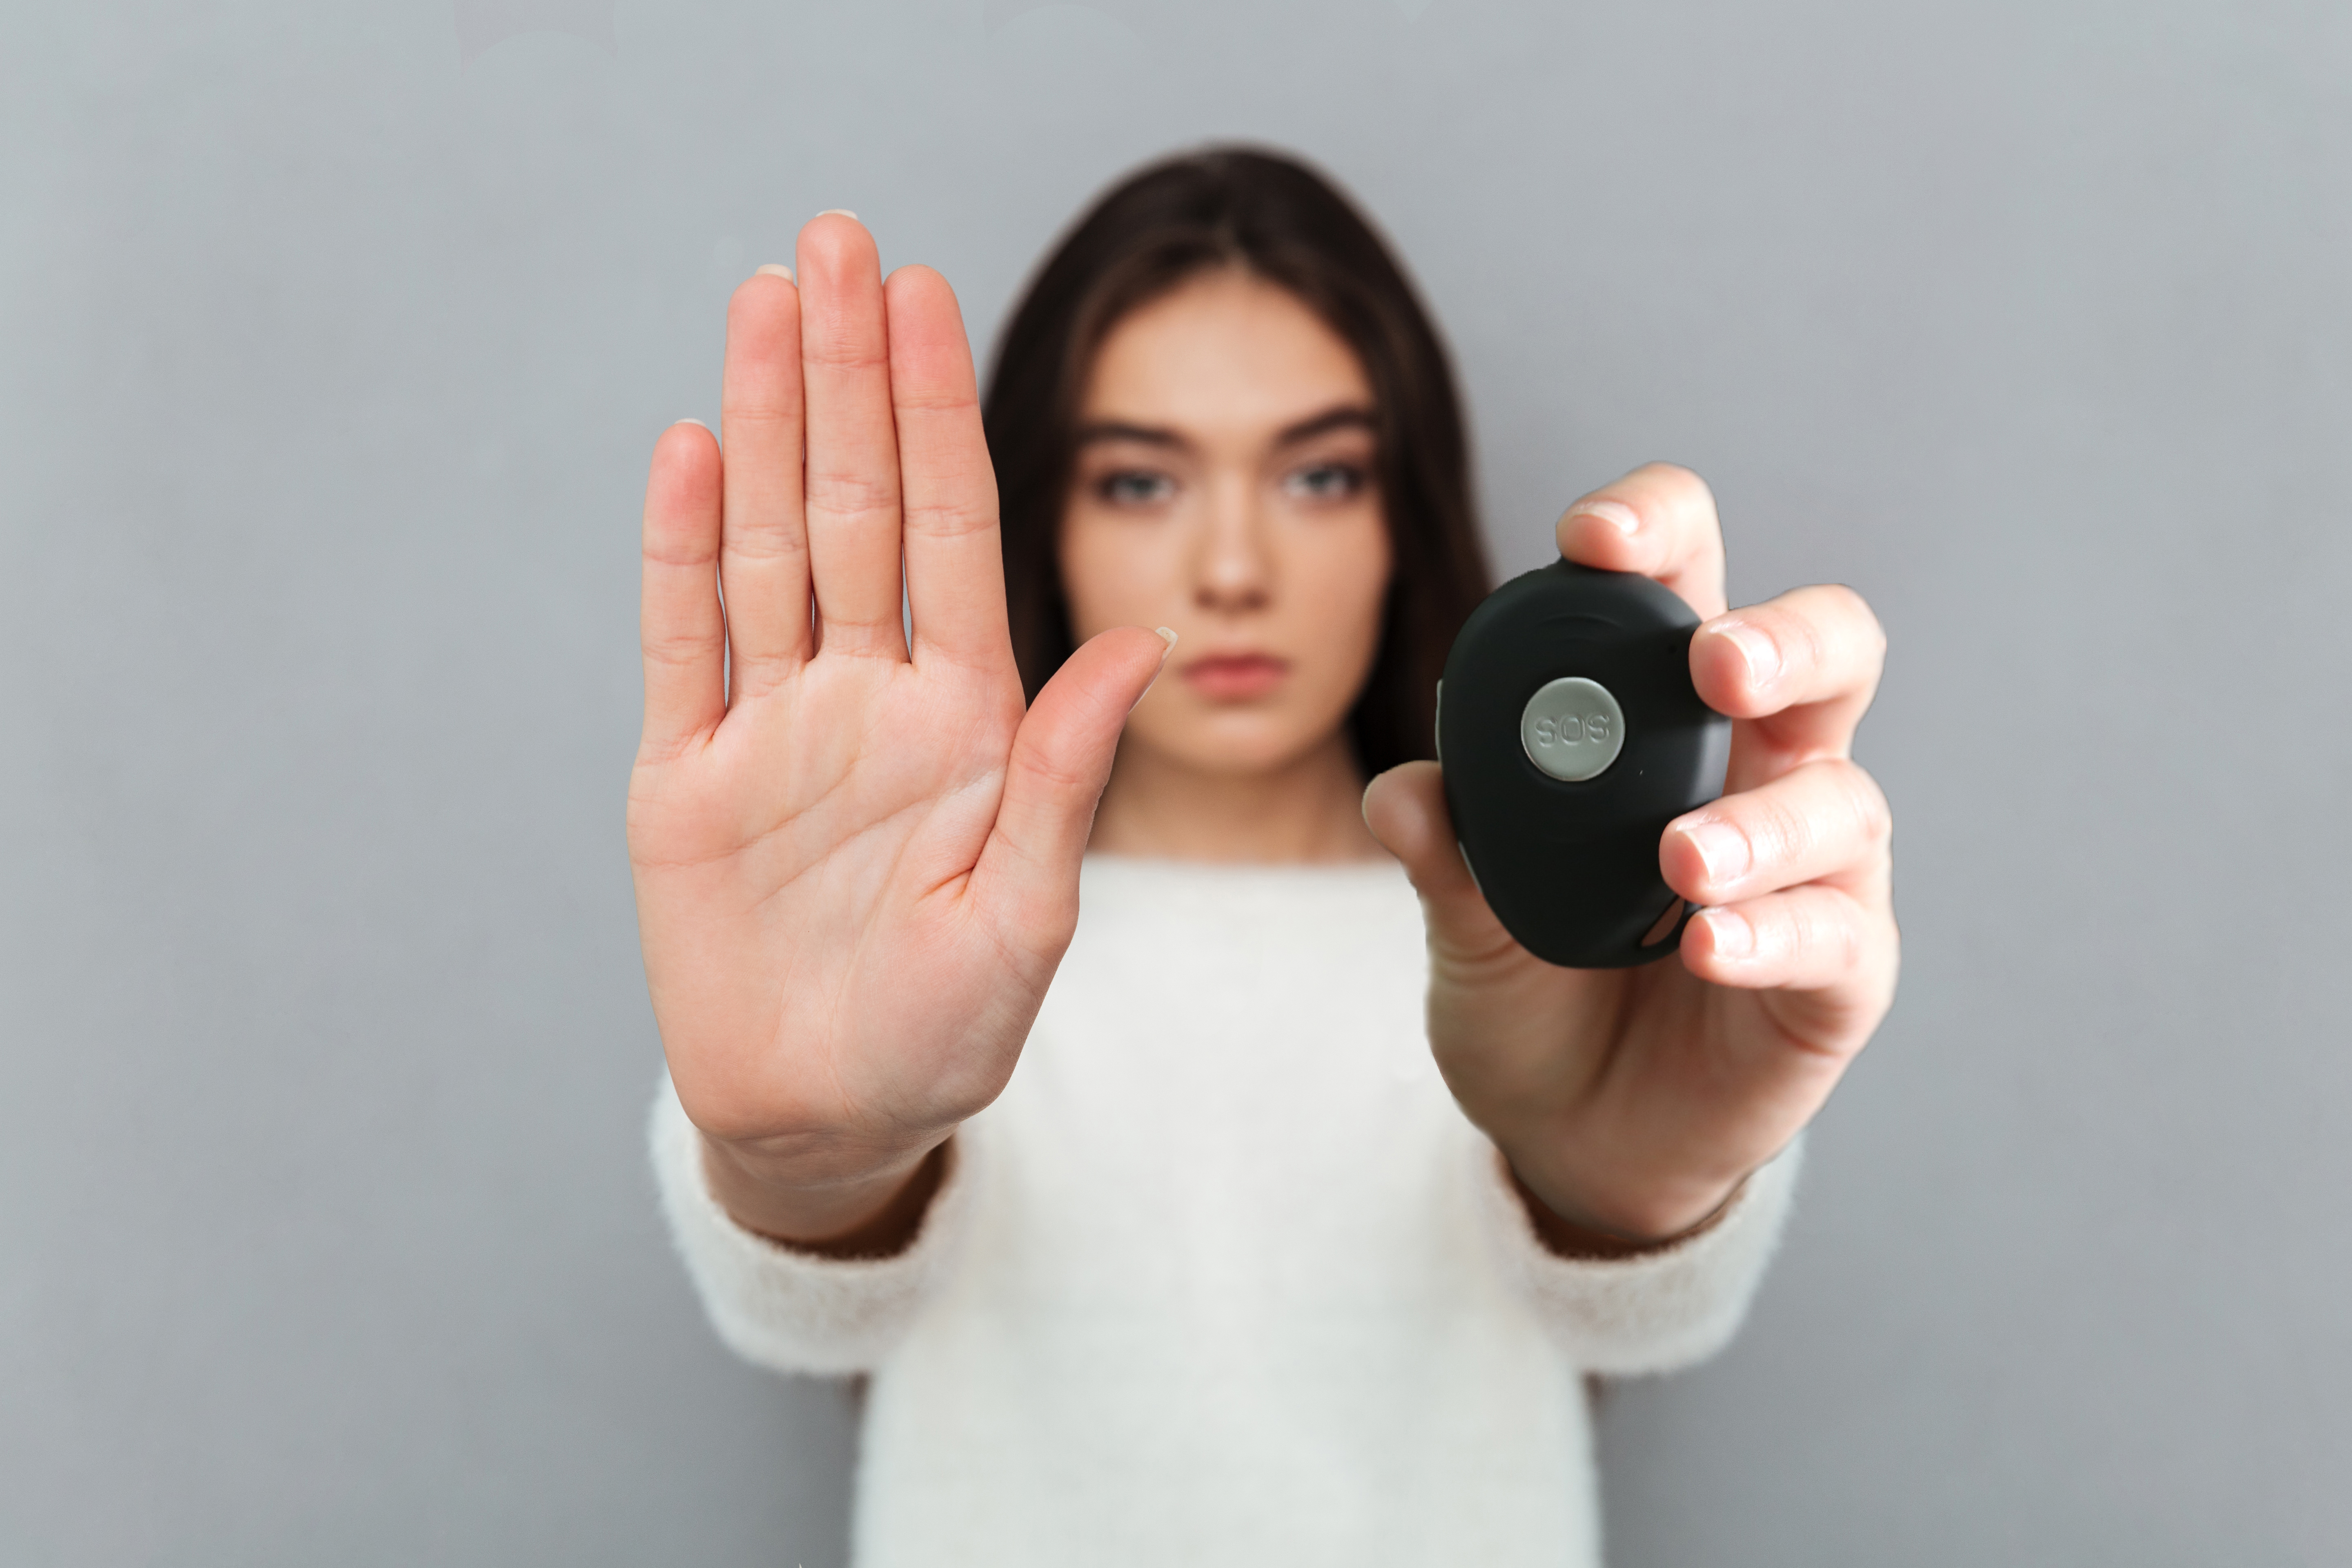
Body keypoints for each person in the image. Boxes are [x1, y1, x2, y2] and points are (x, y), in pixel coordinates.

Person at [629, 148, 1896, 1566]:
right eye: (1141, 483)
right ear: (1041, 509)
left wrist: (1628, 1198)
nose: (1233, 566)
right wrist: (804, 1164)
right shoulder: (908, 937)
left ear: (1398, 512)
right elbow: (802, 1307)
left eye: (1318, 473)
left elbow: (1653, 1309)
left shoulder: (1554, 961)